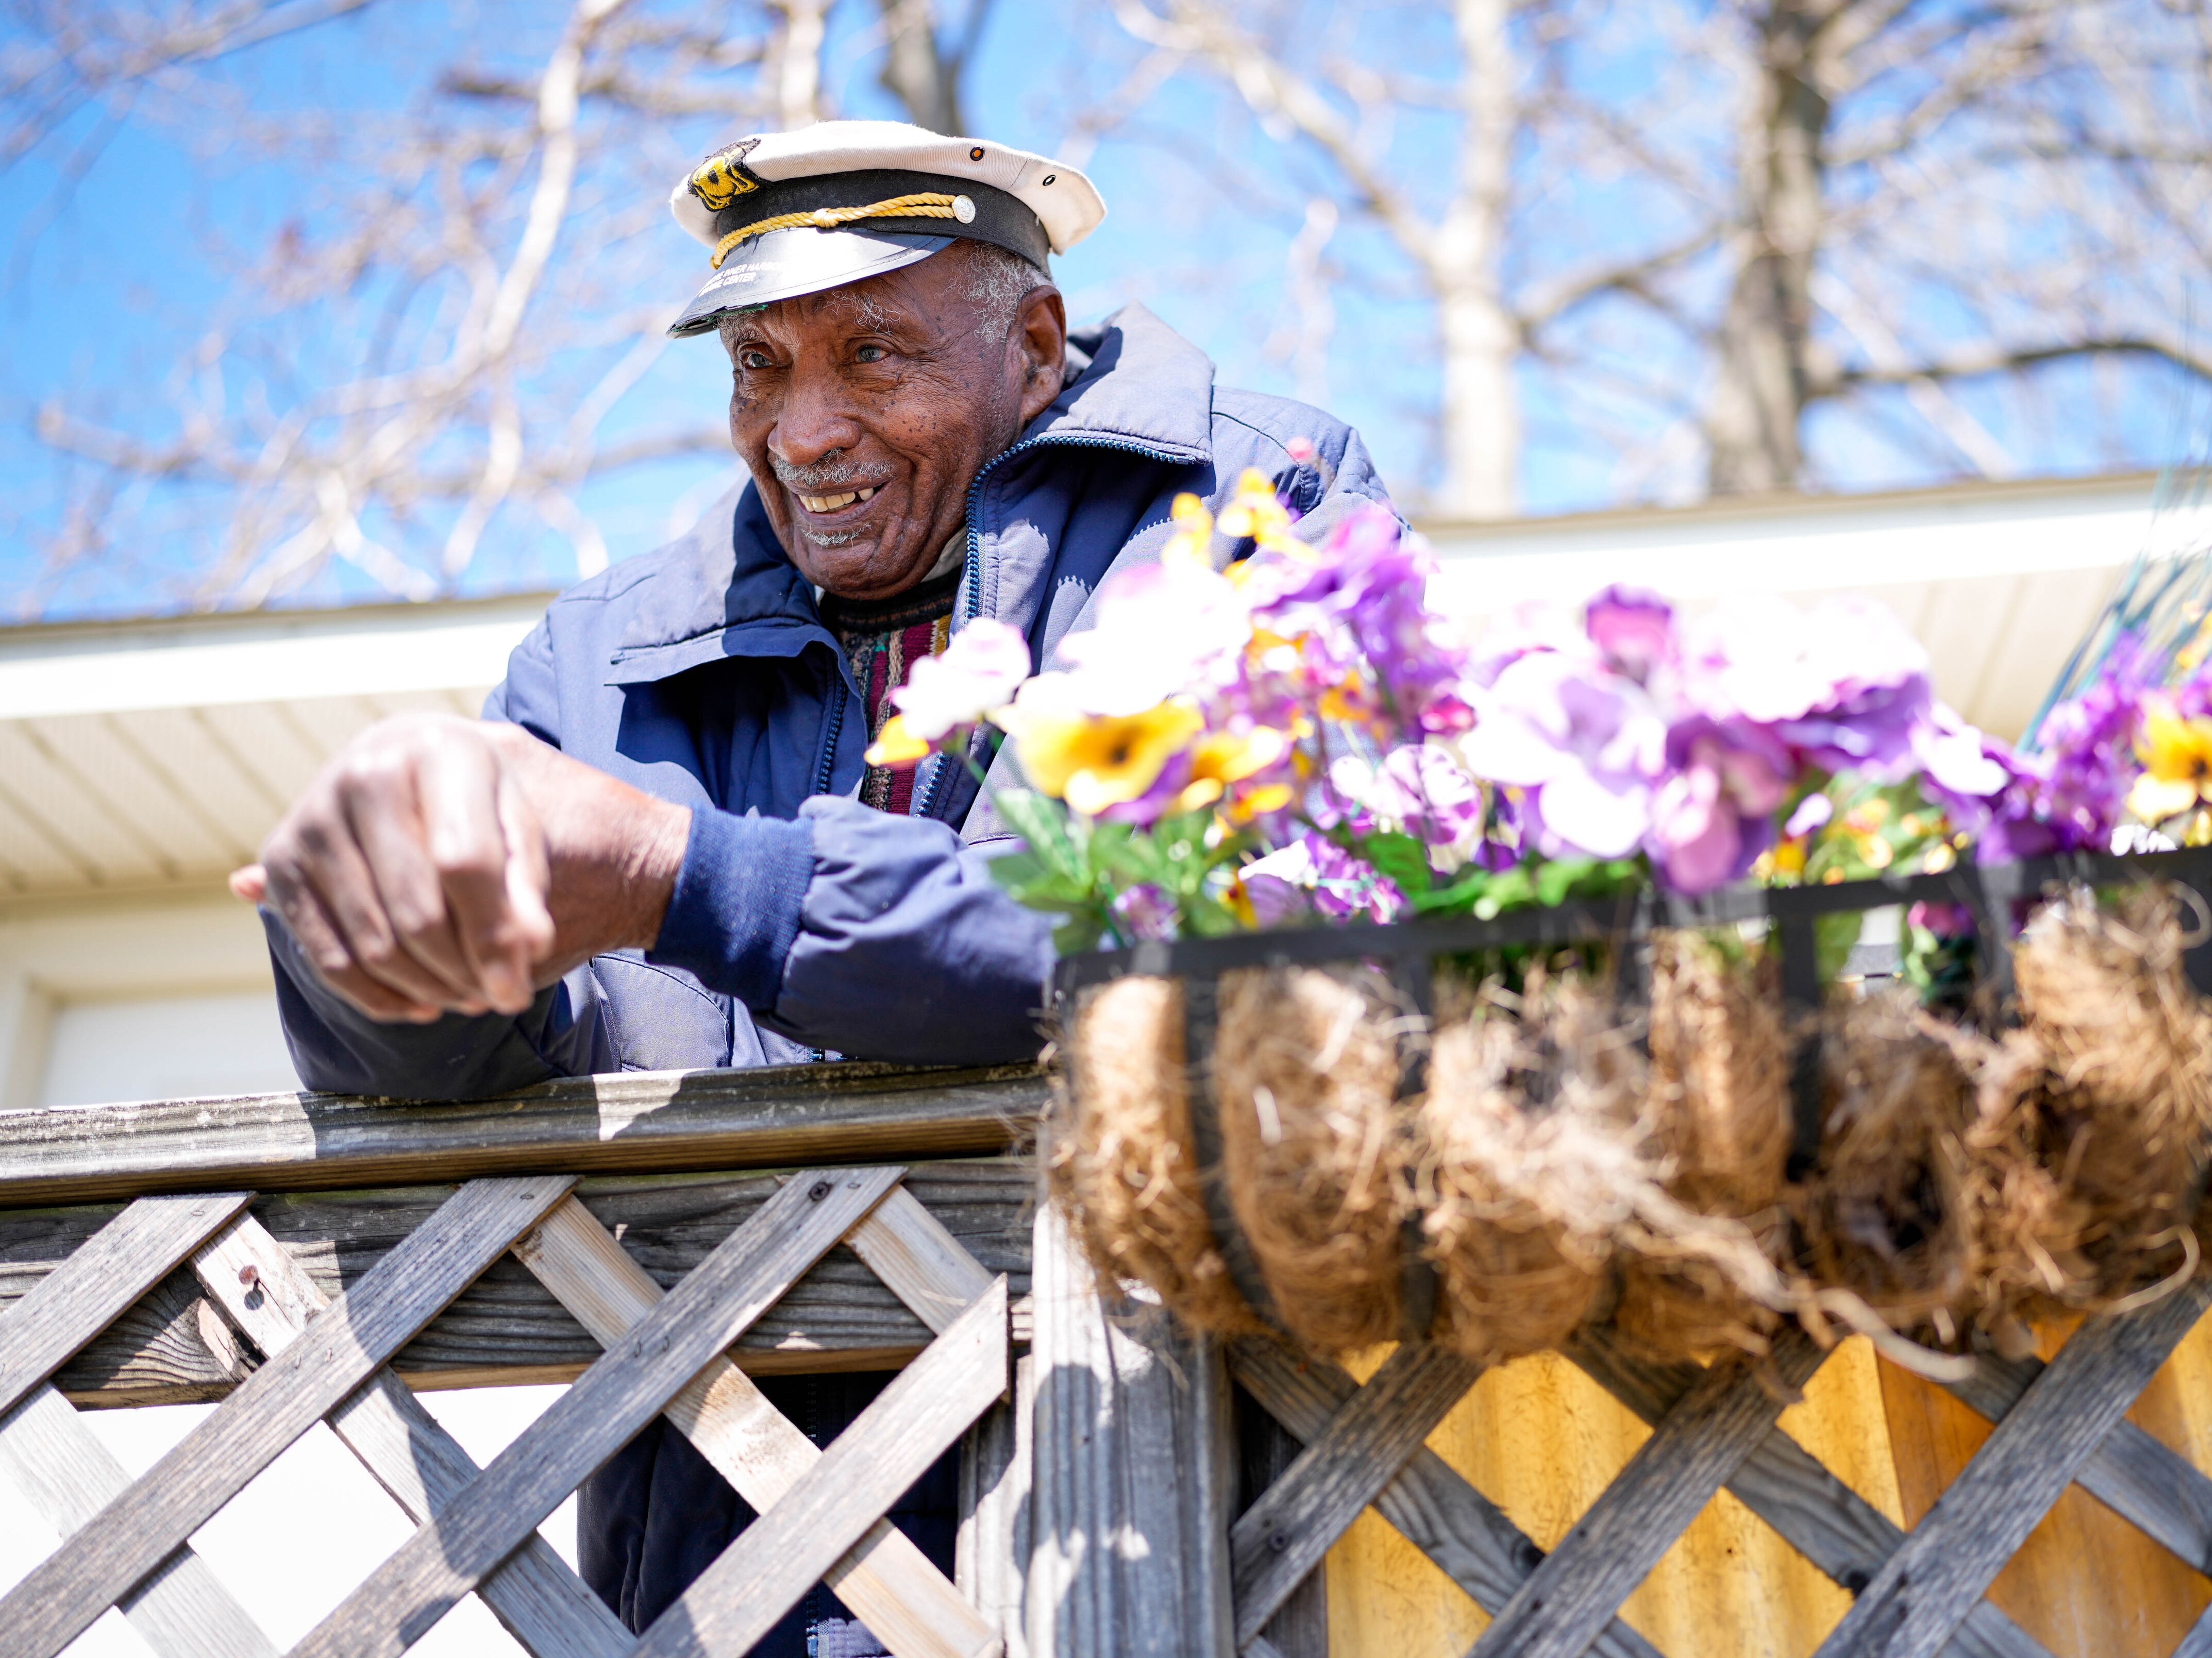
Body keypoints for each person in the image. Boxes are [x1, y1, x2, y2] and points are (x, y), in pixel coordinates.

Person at [237, 121, 1393, 1657]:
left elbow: (1149, 945)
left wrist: (683, 873)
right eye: (757, 369)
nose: (805, 429)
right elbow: (467, 1092)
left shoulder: (1241, 507)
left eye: (872, 354)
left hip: (1161, 1499)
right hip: (725, 1553)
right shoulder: (599, 656)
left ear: (1036, 345)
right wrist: (371, 934)